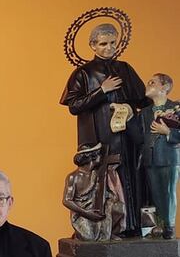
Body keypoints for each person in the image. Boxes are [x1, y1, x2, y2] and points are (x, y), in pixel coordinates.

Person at [60, 23, 149, 235]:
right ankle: (107, 227)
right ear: (93, 45)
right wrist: (102, 90)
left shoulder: (125, 69)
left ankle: (133, 226)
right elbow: (74, 106)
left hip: (127, 135)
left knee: (130, 175)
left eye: (112, 43)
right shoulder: (83, 73)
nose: (109, 48)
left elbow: (143, 100)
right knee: (105, 179)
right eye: (103, 44)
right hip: (100, 138)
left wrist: (131, 109)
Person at [127, 73, 180, 239]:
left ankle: (169, 226)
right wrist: (129, 119)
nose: (148, 85)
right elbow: (139, 139)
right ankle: (161, 225)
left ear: (164, 87)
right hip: (150, 158)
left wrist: (168, 132)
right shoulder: (144, 113)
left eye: (152, 82)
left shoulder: (176, 107)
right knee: (156, 194)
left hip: (169, 157)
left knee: (168, 192)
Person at [63, 143, 126, 240]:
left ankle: (108, 233)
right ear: (91, 157)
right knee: (89, 238)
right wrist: (87, 213)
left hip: (98, 208)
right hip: (82, 212)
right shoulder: (73, 177)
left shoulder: (97, 174)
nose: (101, 157)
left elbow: (105, 192)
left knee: (118, 208)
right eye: (98, 154)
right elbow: (67, 201)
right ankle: (90, 234)